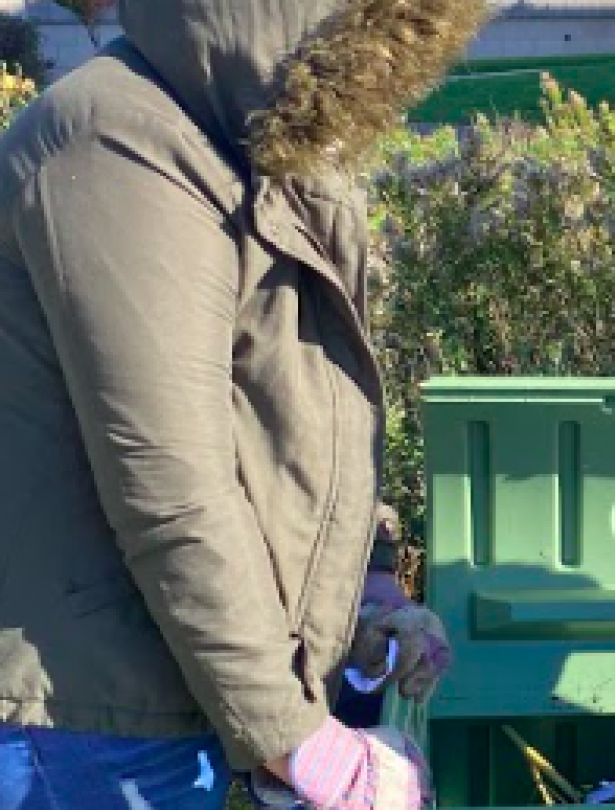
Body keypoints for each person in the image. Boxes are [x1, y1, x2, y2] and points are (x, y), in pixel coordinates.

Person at [0, 0, 482, 807]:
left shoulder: (253, 145)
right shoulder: (120, 141)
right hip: (78, 716)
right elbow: (168, 481)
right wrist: (298, 741)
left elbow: (297, 400)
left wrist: (365, 587)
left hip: (162, 689)